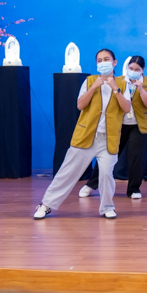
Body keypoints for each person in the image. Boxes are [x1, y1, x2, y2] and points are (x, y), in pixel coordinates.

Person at [34, 48, 131, 220]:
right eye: (99, 60)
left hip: (109, 139)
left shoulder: (123, 84)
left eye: (106, 59)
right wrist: (94, 86)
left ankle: (107, 207)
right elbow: (80, 105)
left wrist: (115, 88)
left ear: (114, 62)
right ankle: (45, 205)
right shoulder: (89, 81)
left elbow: (126, 108)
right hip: (86, 135)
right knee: (67, 172)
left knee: (106, 175)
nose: (103, 63)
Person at [79, 55, 147, 199]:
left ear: (142, 70)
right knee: (107, 154)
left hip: (139, 126)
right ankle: (90, 185)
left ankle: (134, 189)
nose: (133, 71)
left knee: (137, 158)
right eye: (131, 68)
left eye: (137, 69)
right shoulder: (118, 81)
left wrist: (141, 90)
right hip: (117, 124)